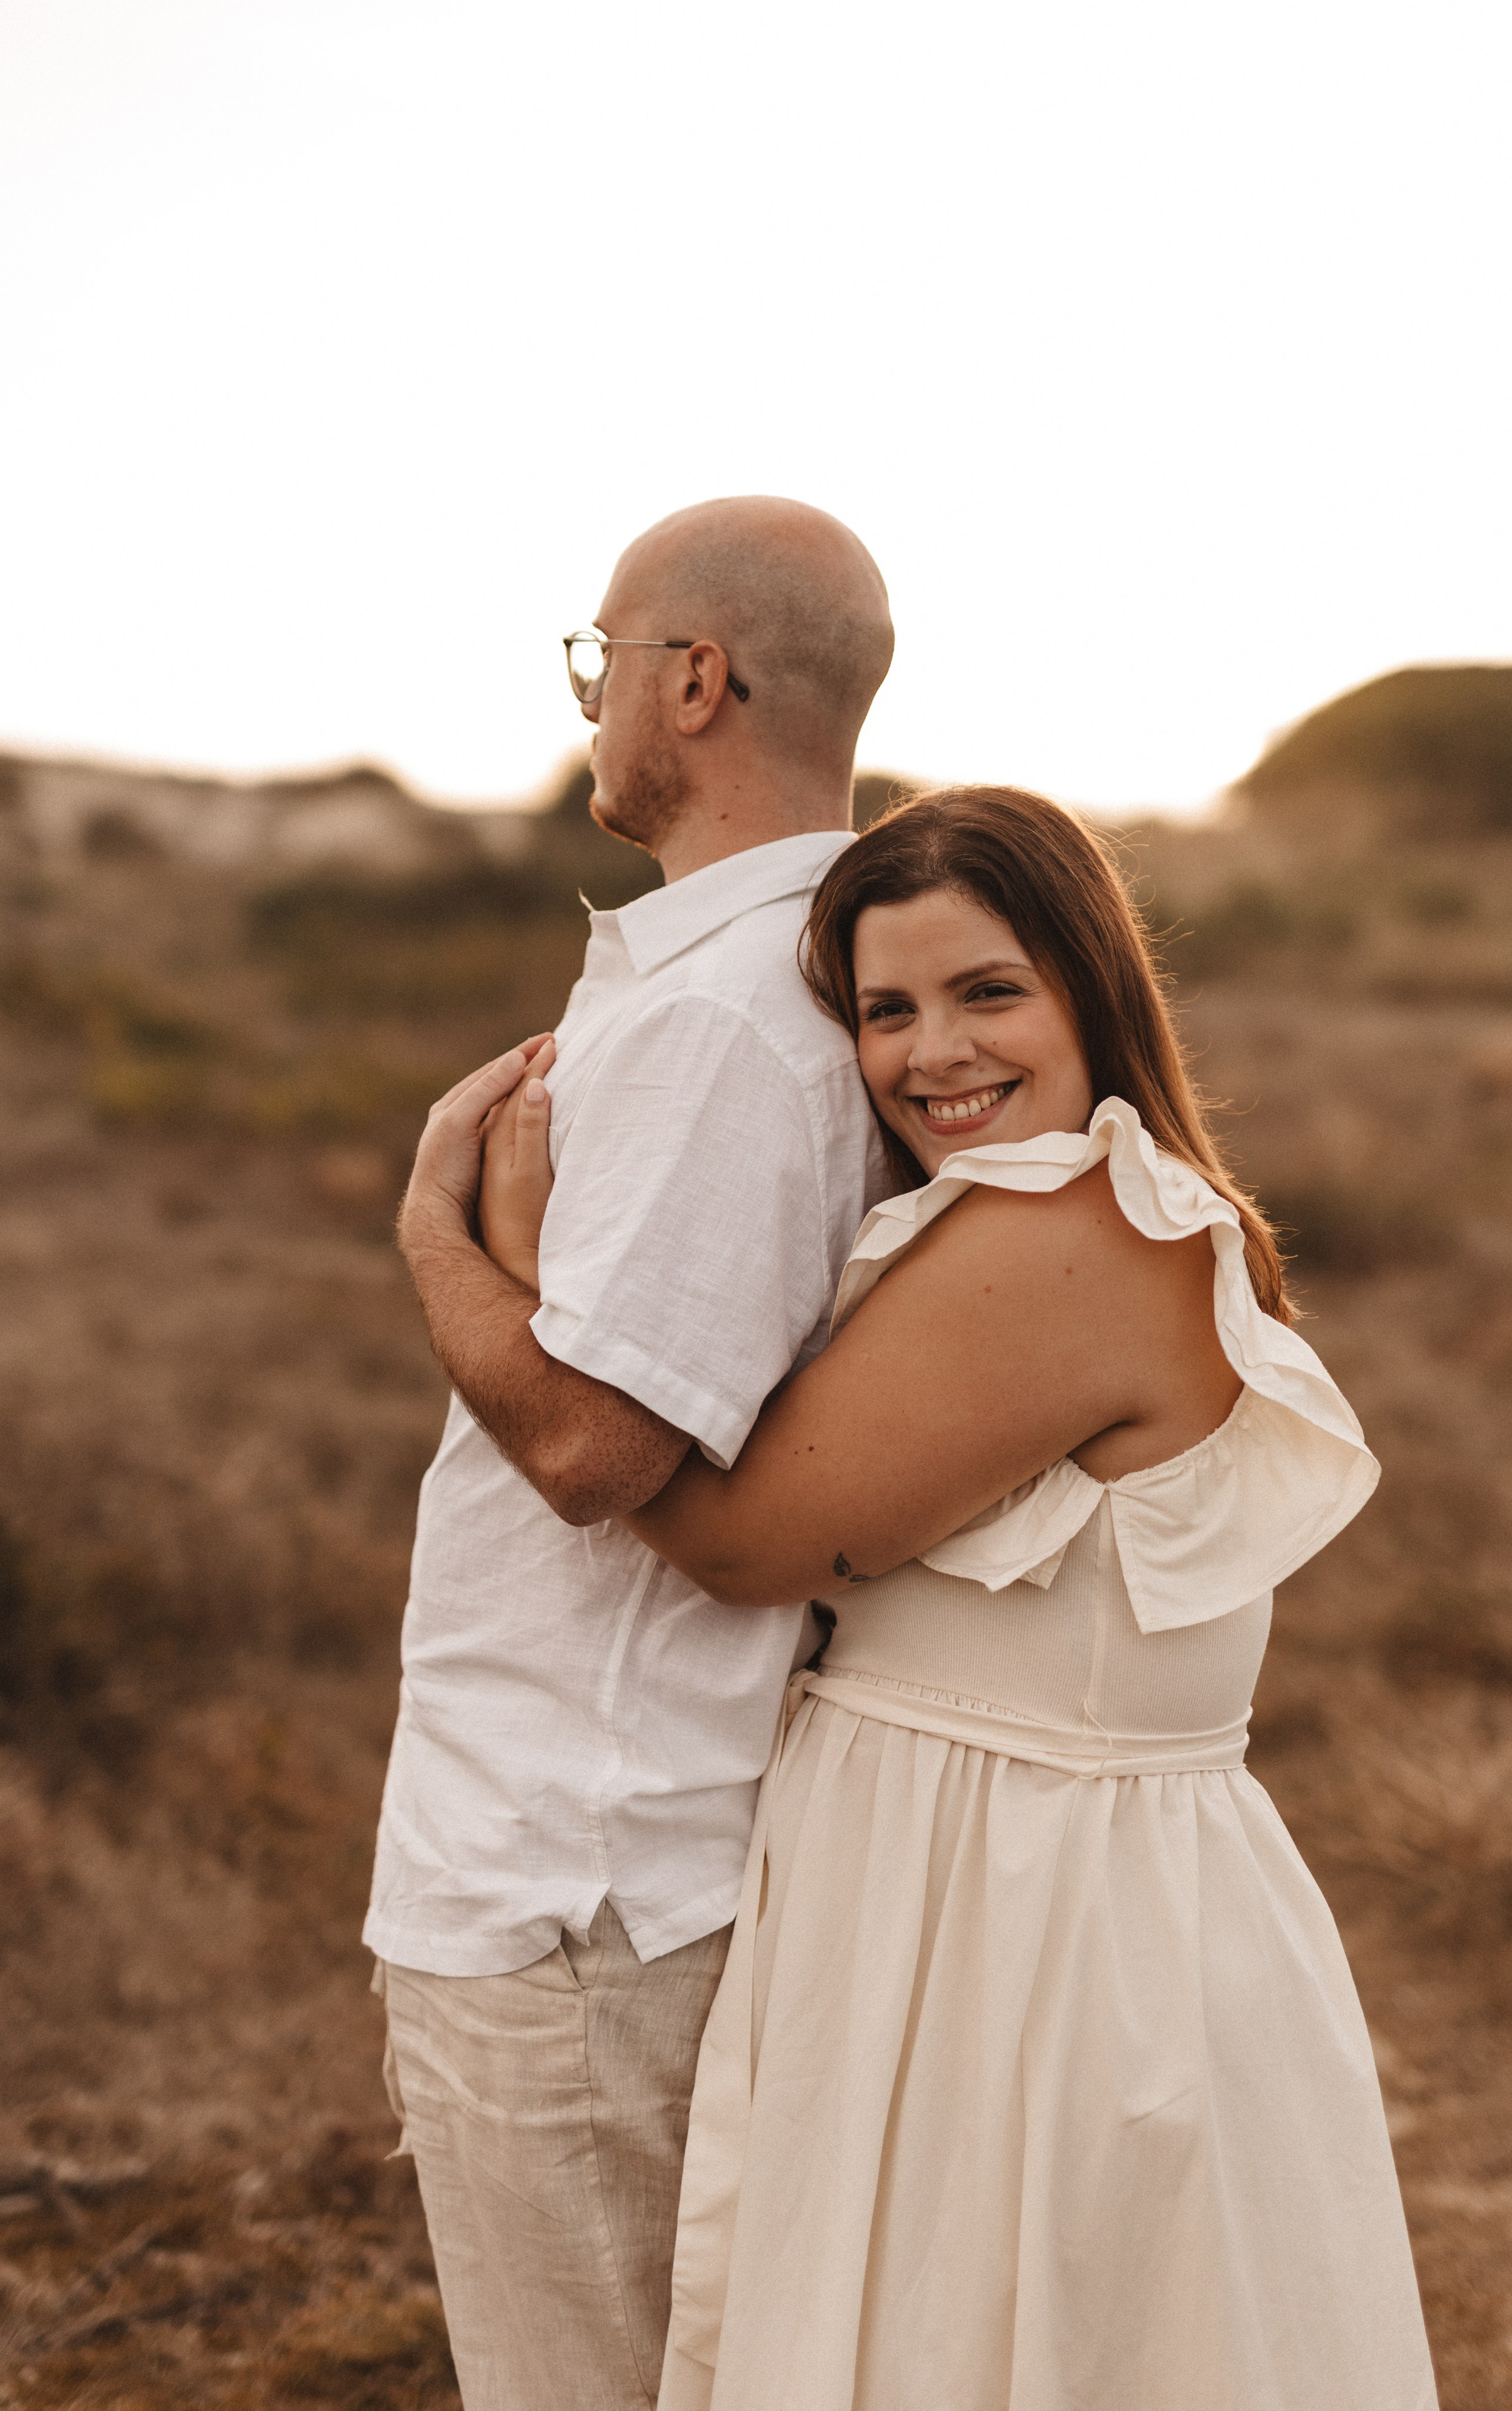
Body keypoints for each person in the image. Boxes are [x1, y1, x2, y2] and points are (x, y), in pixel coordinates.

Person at [477, 785, 1440, 2411]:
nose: (936, 1051)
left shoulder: (1072, 1237)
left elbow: (734, 1541)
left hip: (1030, 1926)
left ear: (1090, 988)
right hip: (1011, 1888)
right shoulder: (1051, 1219)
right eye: (886, 1009)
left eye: (989, 991)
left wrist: (495, 1245)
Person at [369, 495, 897, 2411]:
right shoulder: (749, 987)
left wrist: (432, 1227)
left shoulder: (726, 1030)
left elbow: (596, 1447)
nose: (592, 704)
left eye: (604, 660)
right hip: (597, 1861)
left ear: (698, 680)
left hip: (584, 1874)